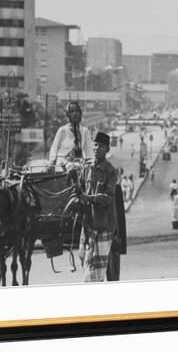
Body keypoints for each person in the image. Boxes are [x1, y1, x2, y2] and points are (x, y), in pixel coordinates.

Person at [79, 132, 118, 282]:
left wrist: (89, 198)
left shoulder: (110, 171)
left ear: (107, 149)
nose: (97, 148)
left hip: (103, 226)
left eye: (101, 146)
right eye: (95, 145)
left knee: (96, 273)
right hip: (88, 226)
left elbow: (108, 198)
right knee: (86, 264)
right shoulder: (86, 168)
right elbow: (80, 190)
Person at [49, 101, 93, 166]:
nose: (75, 114)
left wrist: (89, 162)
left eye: (77, 111)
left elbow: (89, 151)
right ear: (68, 114)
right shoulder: (62, 130)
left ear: (80, 113)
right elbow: (54, 149)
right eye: (72, 111)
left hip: (79, 165)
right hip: (62, 164)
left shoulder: (85, 131)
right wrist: (52, 163)